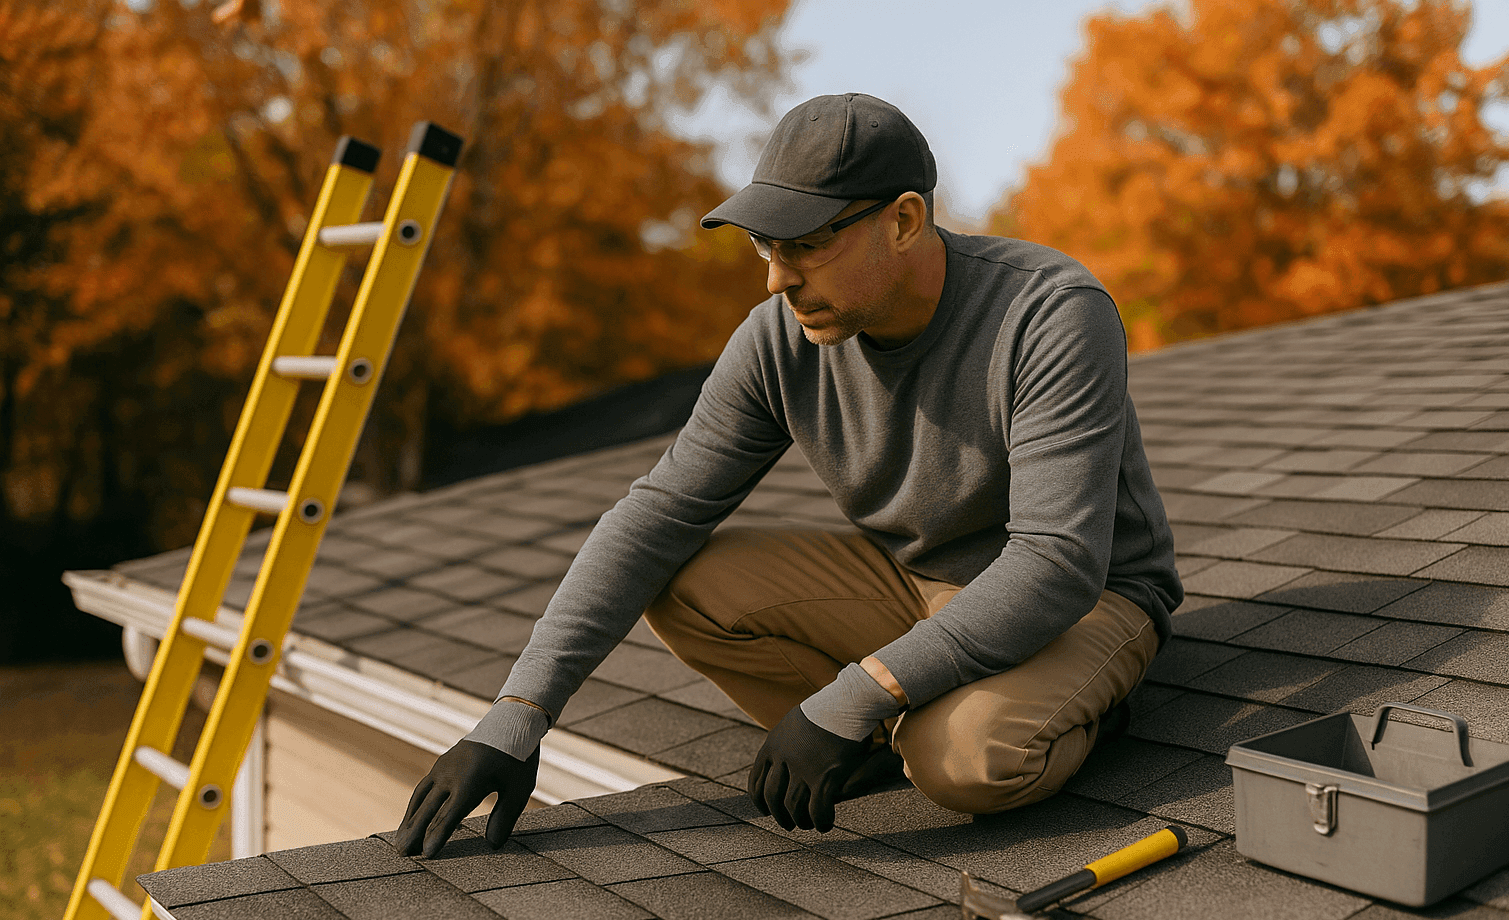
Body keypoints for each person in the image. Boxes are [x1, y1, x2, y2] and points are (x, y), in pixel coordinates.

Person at [395, 93, 1182, 858]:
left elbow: (1055, 562)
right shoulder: (779, 339)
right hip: (912, 584)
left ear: (904, 221)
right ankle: (896, 724)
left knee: (967, 762)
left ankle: (1043, 708)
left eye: (805, 244)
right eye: (764, 246)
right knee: (683, 582)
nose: (777, 279)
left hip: (1087, 598)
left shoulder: (1049, 312)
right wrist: (518, 712)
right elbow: (655, 516)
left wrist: (849, 696)